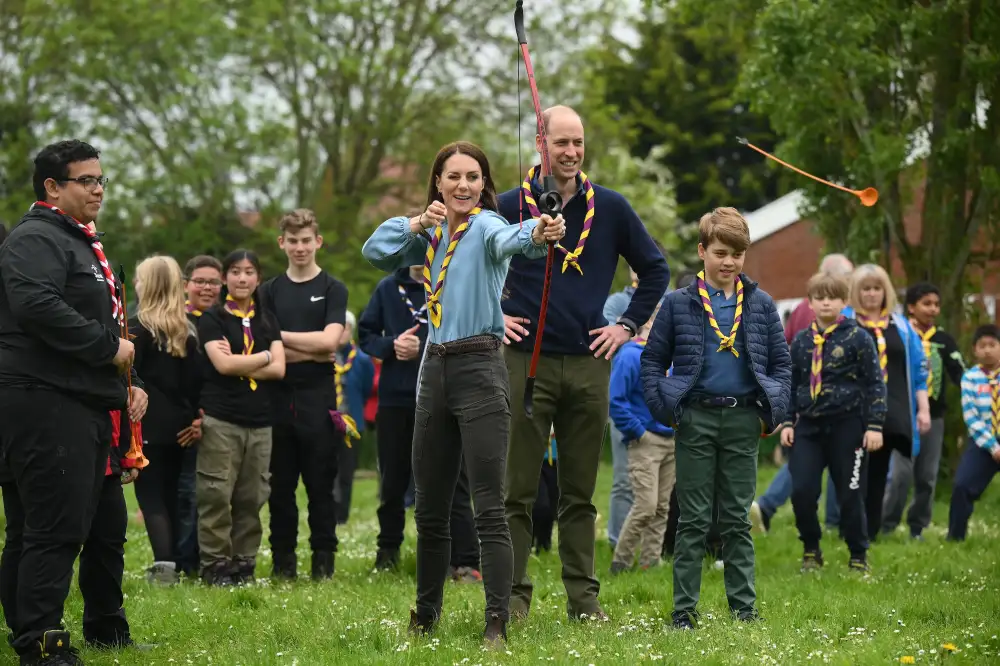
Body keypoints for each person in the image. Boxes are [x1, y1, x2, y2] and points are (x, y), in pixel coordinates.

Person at [362, 140, 565, 646]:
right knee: (429, 507)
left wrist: (542, 229)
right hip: (433, 370)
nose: (463, 186)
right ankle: (425, 614)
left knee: (488, 505)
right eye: (453, 176)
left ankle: (496, 620)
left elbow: (517, 238)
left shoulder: (487, 226)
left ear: (483, 184)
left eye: (473, 177)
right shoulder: (428, 235)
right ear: (438, 182)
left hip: (480, 368)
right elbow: (373, 252)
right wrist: (414, 223)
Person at [499, 105, 670, 622]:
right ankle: (511, 597)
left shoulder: (611, 208)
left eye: (578, 142)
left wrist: (625, 326)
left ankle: (584, 600)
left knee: (579, 492)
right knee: (518, 491)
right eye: (561, 143)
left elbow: (656, 269)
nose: (571, 152)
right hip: (524, 362)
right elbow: (467, 265)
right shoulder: (510, 206)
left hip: (589, 362)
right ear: (539, 142)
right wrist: (493, 316)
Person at [0, 140, 146, 664]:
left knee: (34, 528)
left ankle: (27, 631)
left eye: (102, 179)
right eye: (86, 180)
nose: (99, 189)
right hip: (45, 403)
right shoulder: (36, 239)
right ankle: (41, 645)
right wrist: (109, 348)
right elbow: (36, 304)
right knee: (52, 530)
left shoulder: (73, 240)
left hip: (71, 401)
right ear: (52, 187)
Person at [641, 207, 791, 629]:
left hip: (743, 420)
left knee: (736, 519)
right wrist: (668, 409)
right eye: (721, 252)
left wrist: (771, 414)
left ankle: (744, 610)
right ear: (702, 251)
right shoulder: (676, 304)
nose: (729, 262)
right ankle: (683, 613)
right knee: (692, 519)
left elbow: (782, 365)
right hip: (696, 419)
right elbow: (652, 361)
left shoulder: (760, 304)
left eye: (738, 254)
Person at [358, 264, 483, 579]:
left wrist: (426, 341)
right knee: (392, 481)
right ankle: (388, 555)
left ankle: (465, 561)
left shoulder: (453, 284)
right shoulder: (388, 288)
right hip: (396, 400)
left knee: (453, 479)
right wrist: (392, 346)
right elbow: (366, 334)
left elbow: (471, 329)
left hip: (443, 395)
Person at [257, 209, 347, 581]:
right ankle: (283, 565)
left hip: (318, 398)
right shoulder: (268, 291)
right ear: (282, 243)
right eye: (292, 241)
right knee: (280, 488)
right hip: (276, 397)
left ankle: (323, 565)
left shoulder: (332, 288)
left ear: (318, 242)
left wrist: (280, 339)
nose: (299, 247)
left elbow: (331, 341)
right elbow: (264, 346)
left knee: (320, 487)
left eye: (306, 240)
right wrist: (306, 346)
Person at [783, 273, 886, 572]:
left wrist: (875, 425)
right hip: (809, 427)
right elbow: (791, 384)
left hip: (848, 426)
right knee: (802, 490)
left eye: (832, 296)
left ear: (844, 302)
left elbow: (875, 384)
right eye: (819, 296)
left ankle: (858, 554)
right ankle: (811, 549)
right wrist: (788, 422)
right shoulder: (801, 341)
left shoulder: (858, 338)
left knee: (850, 492)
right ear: (811, 302)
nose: (826, 301)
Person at [196, 249, 285, 586]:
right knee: (216, 493)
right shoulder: (213, 318)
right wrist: (263, 355)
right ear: (224, 278)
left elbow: (279, 369)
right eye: (235, 271)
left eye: (249, 272)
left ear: (258, 279)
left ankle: (243, 564)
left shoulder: (268, 320)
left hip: (261, 422)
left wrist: (243, 361)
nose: (242, 278)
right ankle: (215, 565)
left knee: (252, 496)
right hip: (222, 419)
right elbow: (223, 365)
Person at [751, 253, 854, 534]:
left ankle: (769, 506)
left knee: (803, 458)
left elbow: (783, 348)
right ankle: (833, 520)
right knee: (824, 459)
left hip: (798, 396)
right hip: (820, 399)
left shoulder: (799, 309)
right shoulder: (834, 315)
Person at [131, 256, 203, 585]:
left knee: (151, 496)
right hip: (181, 426)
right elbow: (194, 384)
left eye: (139, 279)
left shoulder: (136, 329)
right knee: (173, 494)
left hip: (147, 424)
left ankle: (164, 566)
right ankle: (178, 560)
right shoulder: (187, 332)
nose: (135, 285)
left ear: (150, 285)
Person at [846, 264, 929, 539]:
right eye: (866, 289)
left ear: (885, 291)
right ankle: (849, 527)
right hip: (853, 408)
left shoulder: (901, 325)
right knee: (853, 471)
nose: (871, 294)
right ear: (856, 292)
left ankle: (870, 531)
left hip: (892, 409)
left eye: (877, 288)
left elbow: (918, 370)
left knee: (879, 470)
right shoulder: (845, 321)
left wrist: (923, 409)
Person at [881, 282, 965, 539]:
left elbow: (960, 372)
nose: (933, 309)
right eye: (926, 304)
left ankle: (917, 526)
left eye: (936, 304)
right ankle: (886, 524)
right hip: (902, 415)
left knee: (927, 477)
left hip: (934, 418)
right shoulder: (901, 335)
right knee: (900, 474)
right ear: (911, 307)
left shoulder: (943, 340)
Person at [603, 245, 669, 550]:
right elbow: (609, 342)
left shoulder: (671, 302)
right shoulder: (617, 303)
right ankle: (618, 540)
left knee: (663, 487)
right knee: (623, 480)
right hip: (627, 401)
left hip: (661, 411)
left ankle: (653, 549)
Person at [609, 304, 676, 575]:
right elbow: (616, 400)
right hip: (645, 441)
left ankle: (650, 562)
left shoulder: (671, 358)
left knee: (661, 507)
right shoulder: (630, 356)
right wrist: (638, 432)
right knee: (645, 506)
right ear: (646, 322)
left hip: (670, 440)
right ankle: (621, 562)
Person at [176, 255, 222, 577]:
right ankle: (183, 562)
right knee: (186, 493)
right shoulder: (177, 322)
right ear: (185, 285)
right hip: (185, 419)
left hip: (219, 417)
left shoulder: (227, 320)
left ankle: (209, 559)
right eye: (200, 281)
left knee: (213, 495)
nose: (207, 288)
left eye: (213, 282)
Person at [946, 324, 1000, 541]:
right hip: (983, 442)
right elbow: (972, 418)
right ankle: (955, 538)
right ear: (974, 350)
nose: (987, 350)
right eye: (982, 346)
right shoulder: (969, 378)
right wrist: (993, 447)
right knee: (962, 486)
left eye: (993, 345)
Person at [332, 310, 376, 524]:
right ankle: (326, 511)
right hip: (326, 420)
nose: (341, 332)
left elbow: (366, 388)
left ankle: (342, 516)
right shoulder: (323, 355)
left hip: (351, 421)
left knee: (346, 472)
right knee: (325, 469)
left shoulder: (362, 360)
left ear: (351, 331)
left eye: (345, 327)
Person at [531, 428, 559, 554]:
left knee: (553, 505)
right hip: (533, 457)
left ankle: (543, 545)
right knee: (540, 505)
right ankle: (529, 540)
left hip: (557, 458)